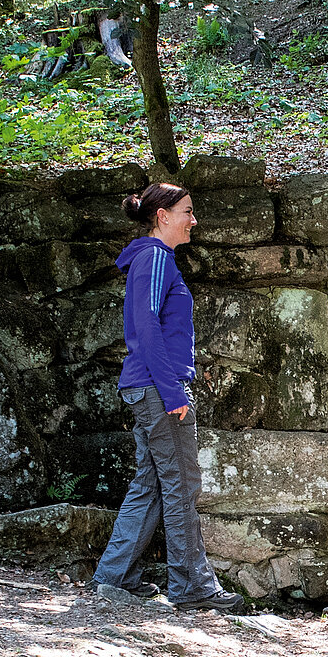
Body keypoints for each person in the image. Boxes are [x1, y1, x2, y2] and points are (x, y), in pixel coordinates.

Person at [90, 184, 246, 614]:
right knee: (181, 485)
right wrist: (173, 390)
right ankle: (192, 585)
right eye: (187, 211)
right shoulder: (156, 258)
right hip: (160, 389)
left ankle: (114, 576)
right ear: (162, 216)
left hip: (147, 387)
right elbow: (147, 327)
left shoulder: (150, 258)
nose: (193, 220)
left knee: (152, 484)